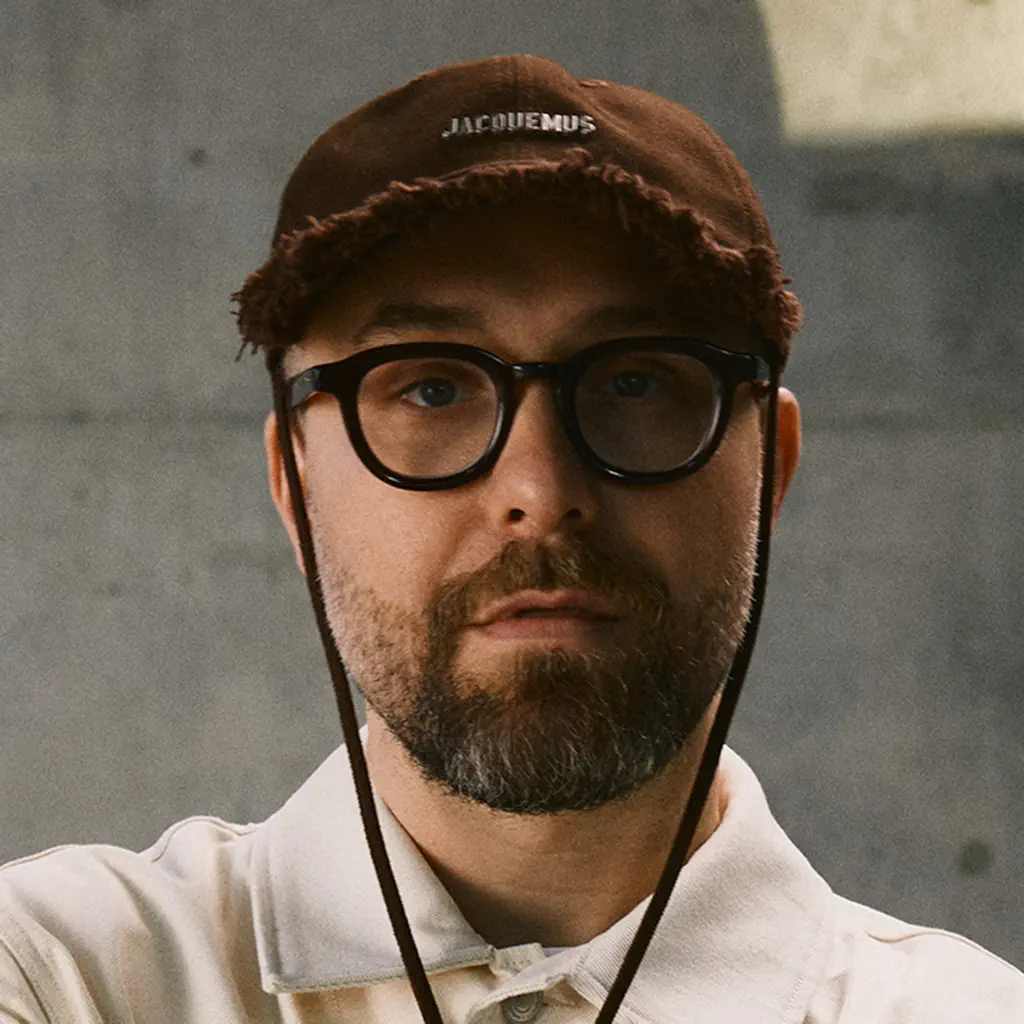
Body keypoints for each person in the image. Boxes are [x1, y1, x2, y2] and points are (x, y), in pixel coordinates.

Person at [1, 54, 1020, 1024]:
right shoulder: (60, 971)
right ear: (295, 488)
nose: (539, 491)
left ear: (770, 472)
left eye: (634, 382)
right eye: (431, 389)